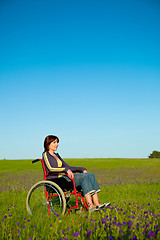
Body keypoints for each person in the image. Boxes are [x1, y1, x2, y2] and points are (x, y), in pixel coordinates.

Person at [42, 135, 110, 213]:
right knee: (84, 178)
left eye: (57, 142)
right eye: (54, 142)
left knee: (90, 175)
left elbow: (68, 167)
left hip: (63, 178)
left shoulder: (57, 156)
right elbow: (51, 168)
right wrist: (65, 169)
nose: (57, 144)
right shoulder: (46, 155)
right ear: (48, 144)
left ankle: (97, 203)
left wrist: (81, 169)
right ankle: (90, 206)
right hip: (56, 180)